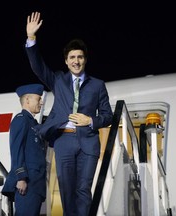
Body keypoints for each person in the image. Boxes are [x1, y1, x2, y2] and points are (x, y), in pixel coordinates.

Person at [25, 12, 113, 216]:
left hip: (88, 142)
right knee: (66, 191)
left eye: (80, 57)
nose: (76, 61)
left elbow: (107, 115)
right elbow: (38, 67)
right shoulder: (58, 80)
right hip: (64, 141)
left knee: (83, 189)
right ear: (66, 61)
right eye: (72, 57)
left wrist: (90, 120)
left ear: (85, 60)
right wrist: (31, 39)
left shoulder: (98, 85)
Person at [1, 83, 47, 216]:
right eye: (38, 99)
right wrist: (21, 177)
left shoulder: (33, 124)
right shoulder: (21, 120)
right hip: (27, 182)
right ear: (27, 100)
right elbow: (16, 150)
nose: (41, 102)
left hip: (36, 183)